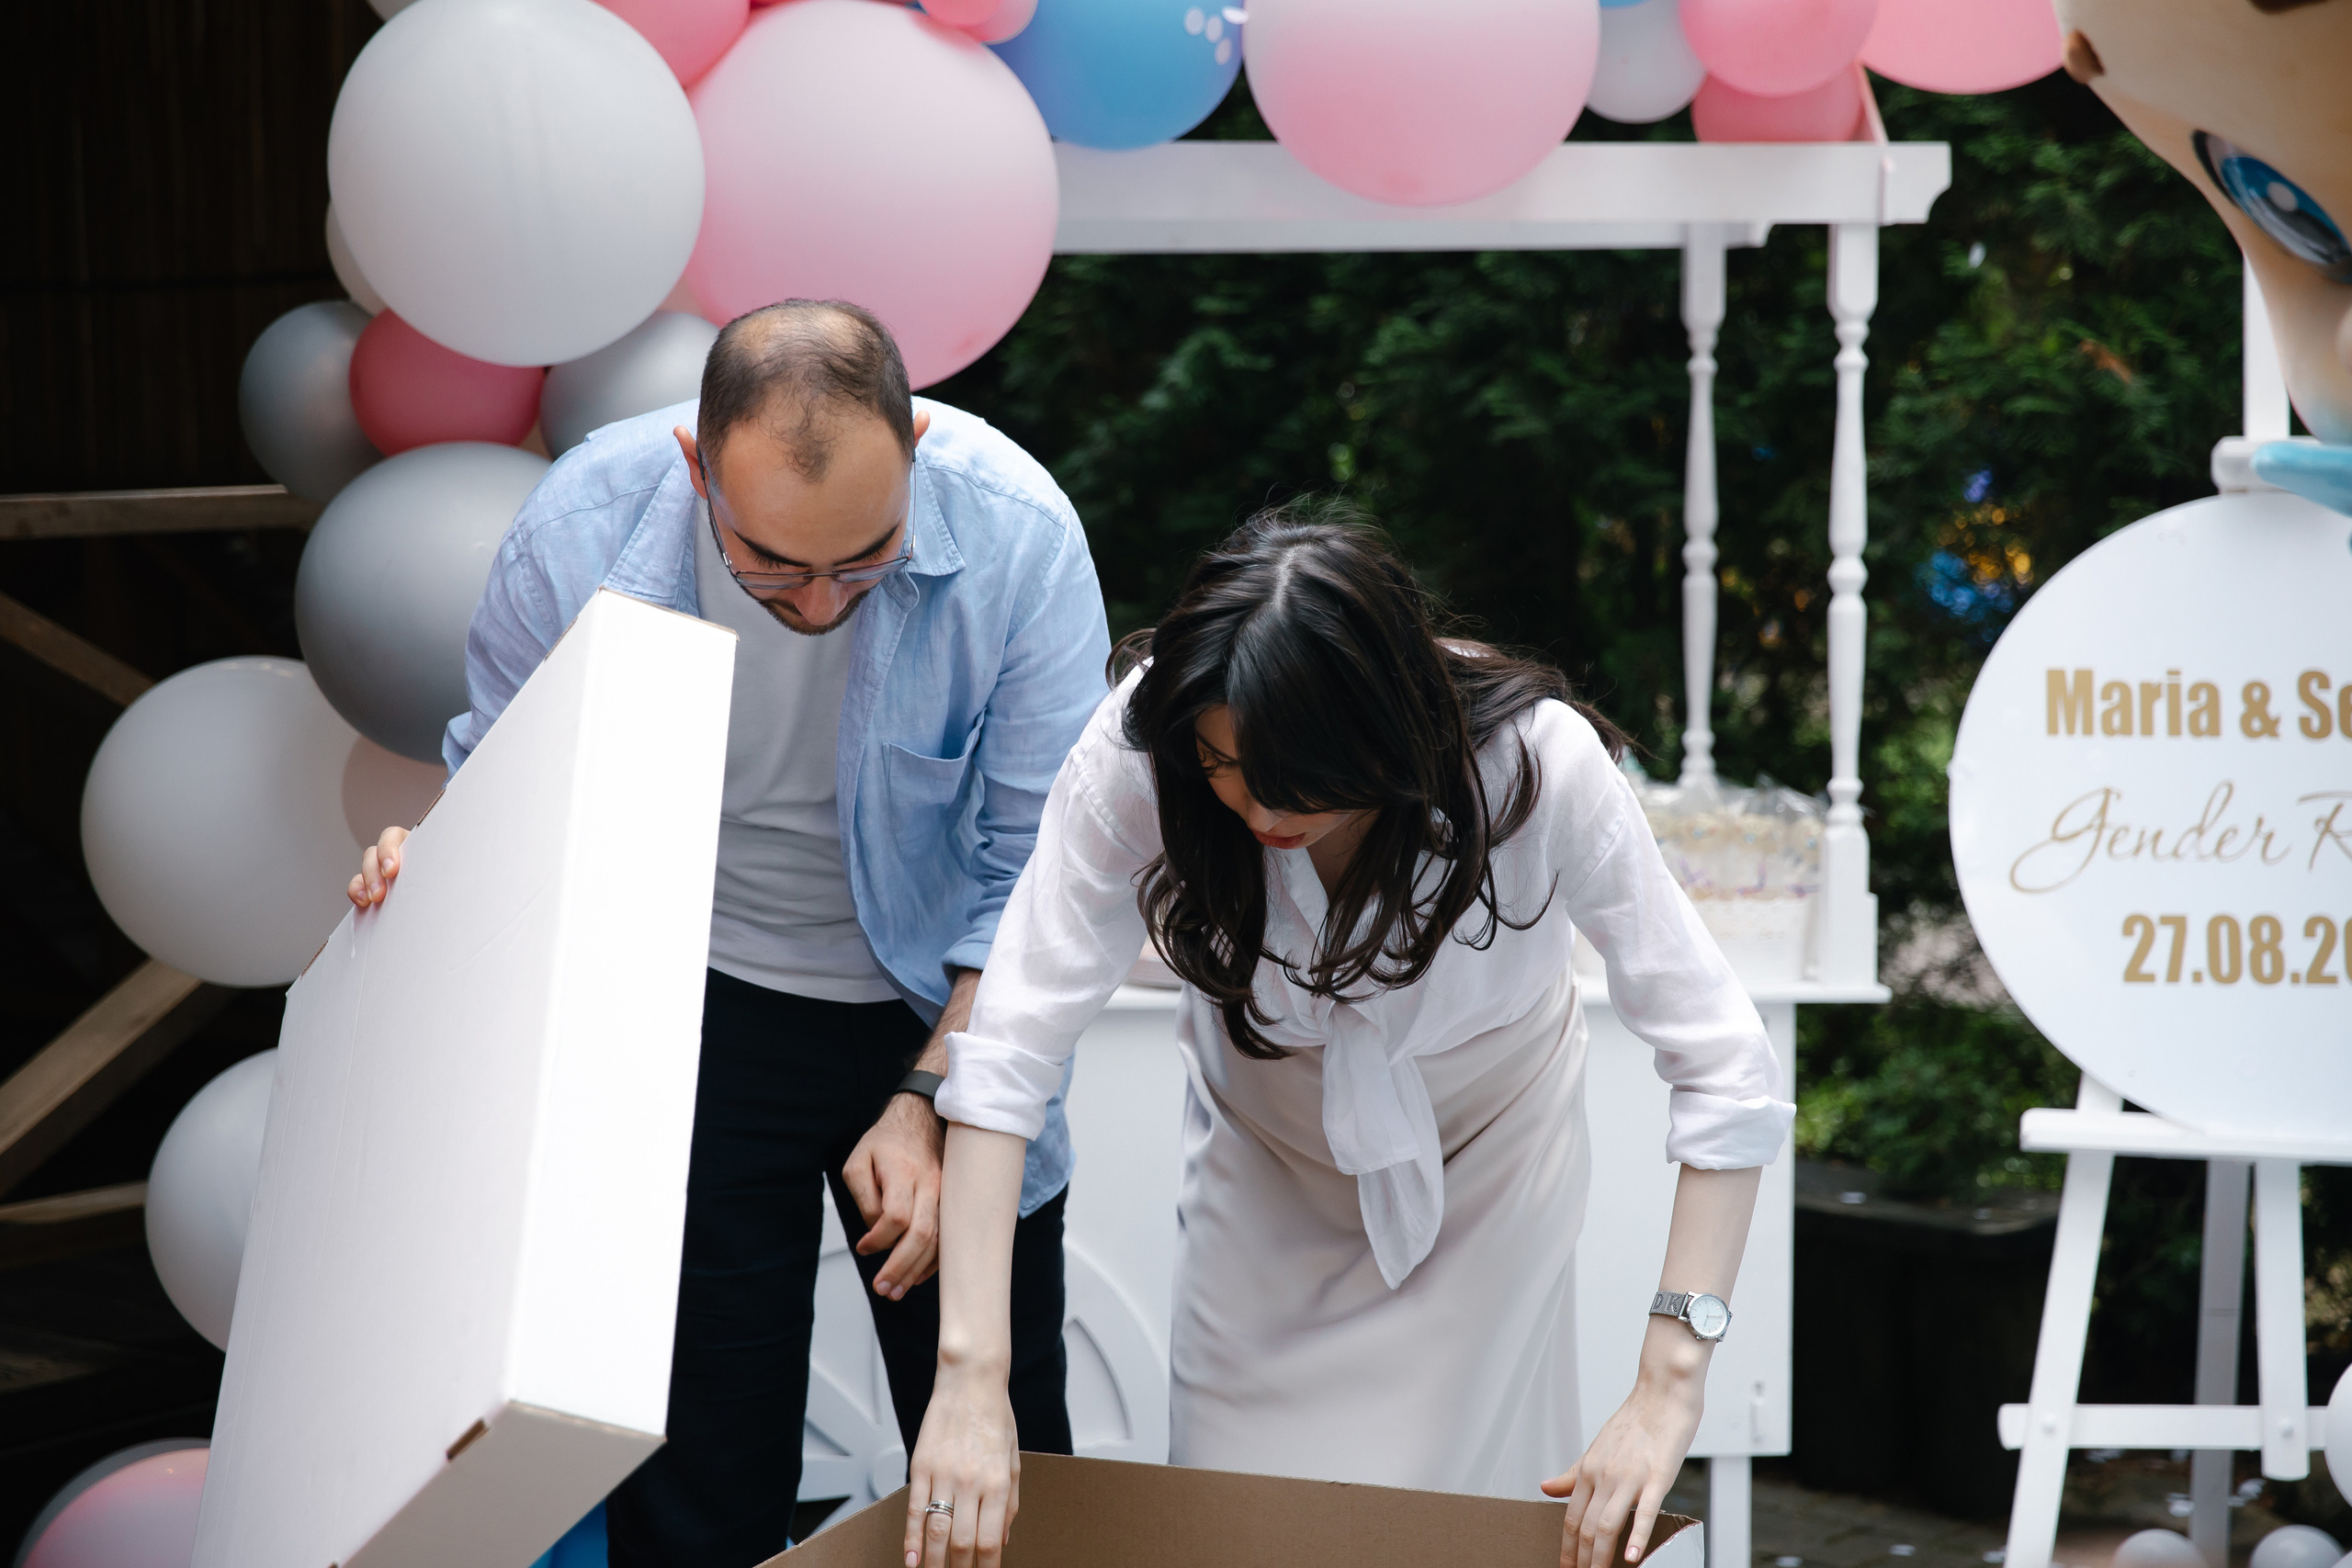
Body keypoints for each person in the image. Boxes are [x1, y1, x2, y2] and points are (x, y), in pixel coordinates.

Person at [346, 300, 1109, 1566]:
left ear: (915, 445)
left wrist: (932, 1096)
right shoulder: (578, 532)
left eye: (863, 559)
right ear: (699, 468)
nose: (819, 600)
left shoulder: (1023, 536)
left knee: (1006, 1464)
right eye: (772, 565)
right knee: (705, 1472)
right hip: (693, 1005)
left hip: (946, 1009)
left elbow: (1038, 883)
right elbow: (512, 795)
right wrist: (434, 863)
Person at [905, 511, 1792, 1568]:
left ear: (1382, 728)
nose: (1256, 805)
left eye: (1297, 776)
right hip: (1262, 1149)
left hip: (1492, 1153)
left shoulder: (1533, 764)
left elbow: (1725, 1071)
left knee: (1463, 1524)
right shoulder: (1142, 747)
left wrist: (1664, 1391)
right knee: (1236, 1522)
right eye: (1224, 766)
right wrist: (968, 1379)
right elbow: (1010, 1050)